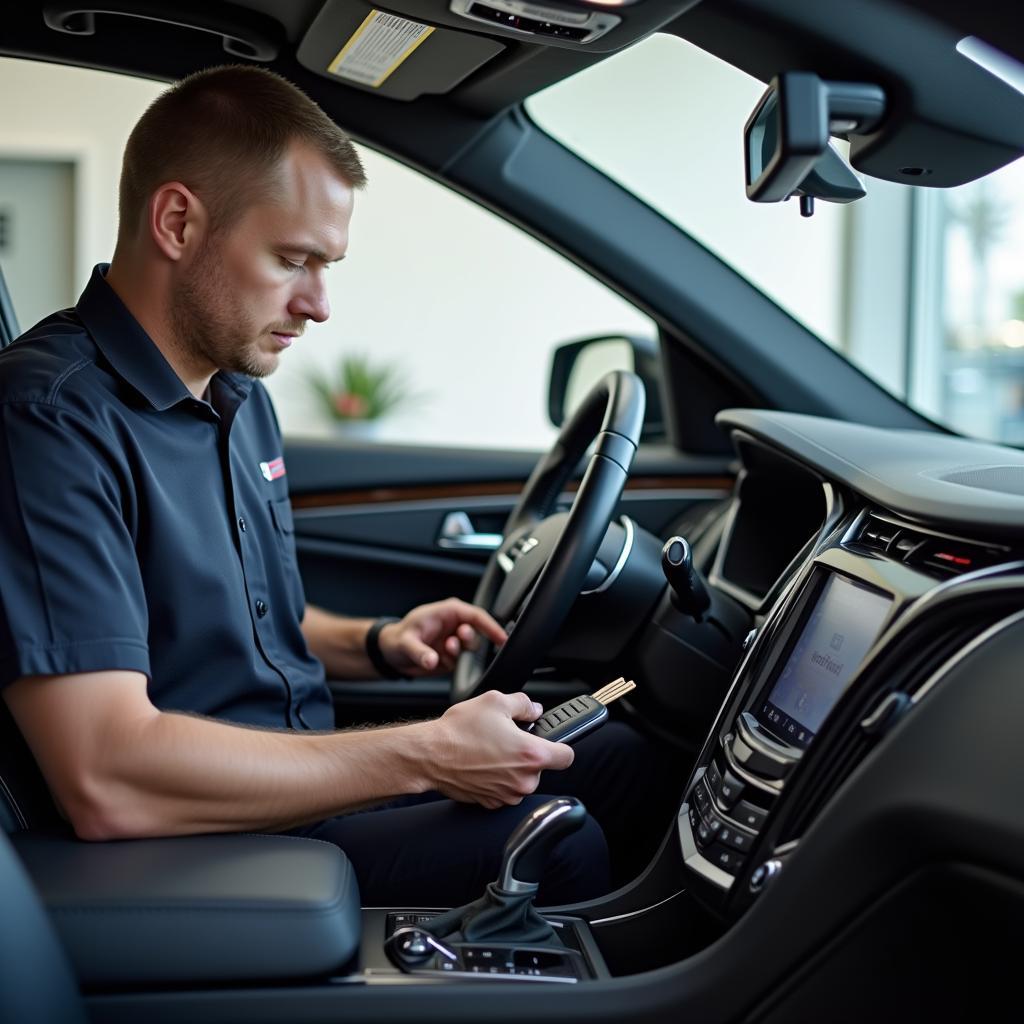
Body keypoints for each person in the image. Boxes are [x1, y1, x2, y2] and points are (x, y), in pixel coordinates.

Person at [0, 65, 671, 907]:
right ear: (176, 222)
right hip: (207, 832)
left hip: (294, 775)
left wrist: (379, 641)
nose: (319, 305)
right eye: (293, 260)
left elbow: (222, 614)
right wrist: (424, 751)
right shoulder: (49, 421)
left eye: (328, 265)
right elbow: (105, 773)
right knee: (557, 838)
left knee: (627, 760)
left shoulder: (238, 394)